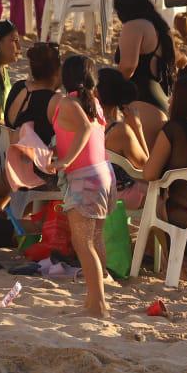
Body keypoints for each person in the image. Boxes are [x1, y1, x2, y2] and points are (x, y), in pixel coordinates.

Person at [50, 55, 115, 318]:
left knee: (83, 242)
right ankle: (95, 300)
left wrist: (65, 160)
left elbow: (85, 131)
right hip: (102, 173)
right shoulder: (93, 103)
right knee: (94, 239)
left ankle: (98, 304)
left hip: (86, 178)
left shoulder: (68, 103)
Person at [140, 73, 187, 230]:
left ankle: (166, 255)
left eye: (173, 95)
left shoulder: (174, 130)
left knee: (150, 209)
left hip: (181, 214)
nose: (169, 100)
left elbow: (150, 174)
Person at [112, 0, 175, 114]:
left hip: (142, 100)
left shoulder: (134, 25)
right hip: (160, 98)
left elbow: (128, 67)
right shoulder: (161, 28)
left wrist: (109, 87)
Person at [4, 41, 62, 146]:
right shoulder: (54, 100)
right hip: (34, 160)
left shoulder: (18, 86)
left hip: (7, 155)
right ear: (57, 72)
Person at [98, 68, 150, 169]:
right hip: (113, 184)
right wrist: (137, 127)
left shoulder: (83, 120)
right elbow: (145, 166)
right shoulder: (121, 131)